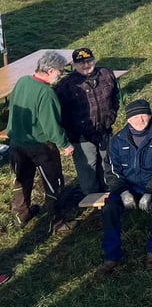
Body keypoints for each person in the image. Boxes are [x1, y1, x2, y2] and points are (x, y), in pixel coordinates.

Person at [97, 100, 152, 275]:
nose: (141, 119)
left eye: (144, 115)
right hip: (125, 186)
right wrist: (122, 191)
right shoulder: (117, 140)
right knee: (109, 210)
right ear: (128, 119)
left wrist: (150, 192)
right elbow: (111, 170)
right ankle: (111, 256)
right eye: (135, 116)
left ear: (150, 115)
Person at [8, 50, 74, 233]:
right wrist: (65, 144)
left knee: (21, 180)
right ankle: (57, 222)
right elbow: (51, 126)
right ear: (51, 70)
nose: (61, 75)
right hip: (41, 146)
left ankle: (21, 215)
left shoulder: (23, 81)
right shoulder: (46, 93)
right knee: (53, 182)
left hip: (17, 142)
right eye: (60, 71)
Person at [55, 47, 120, 196]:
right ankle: (91, 200)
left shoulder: (106, 74)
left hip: (104, 130)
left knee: (108, 163)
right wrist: (72, 129)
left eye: (89, 61)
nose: (86, 65)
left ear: (94, 60)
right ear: (74, 65)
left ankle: (111, 195)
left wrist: (112, 116)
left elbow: (115, 96)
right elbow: (60, 111)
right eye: (81, 63)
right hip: (81, 136)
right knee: (87, 168)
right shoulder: (66, 85)